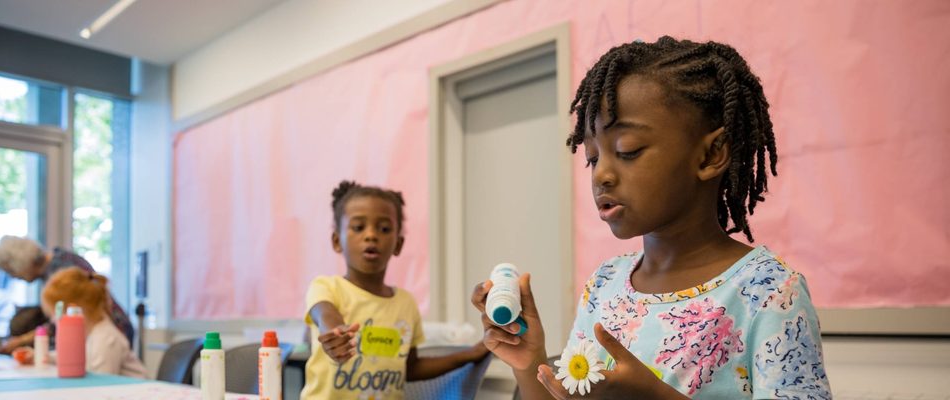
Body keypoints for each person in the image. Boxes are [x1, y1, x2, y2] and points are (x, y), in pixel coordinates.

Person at [471, 37, 832, 399]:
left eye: (627, 150)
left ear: (711, 154)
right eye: (593, 157)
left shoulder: (769, 293)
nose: (601, 175)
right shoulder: (605, 284)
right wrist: (527, 360)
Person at [302, 181, 489, 399]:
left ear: (398, 244)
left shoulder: (406, 303)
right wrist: (335, 332)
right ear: (337, 241)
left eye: (384, 229)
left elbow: (410, 368)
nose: (371, 235)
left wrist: (470, 354)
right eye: (358, 227)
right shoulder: (326, 287)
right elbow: (324, 314)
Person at [0, 236, 134, 353]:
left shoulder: (61, 274)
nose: (15, 277)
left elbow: (64, 320)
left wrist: (21, 341)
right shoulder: (61, 262)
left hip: (109, 335)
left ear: (19, 264)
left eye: (11, 272)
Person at [41, 267, 146, 378]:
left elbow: (101, 385)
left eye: (56, 313)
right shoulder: (90, 335)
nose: (53, 320)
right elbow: (73, 356)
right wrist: (45, 356)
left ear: (75, 309)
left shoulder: (106, 339)